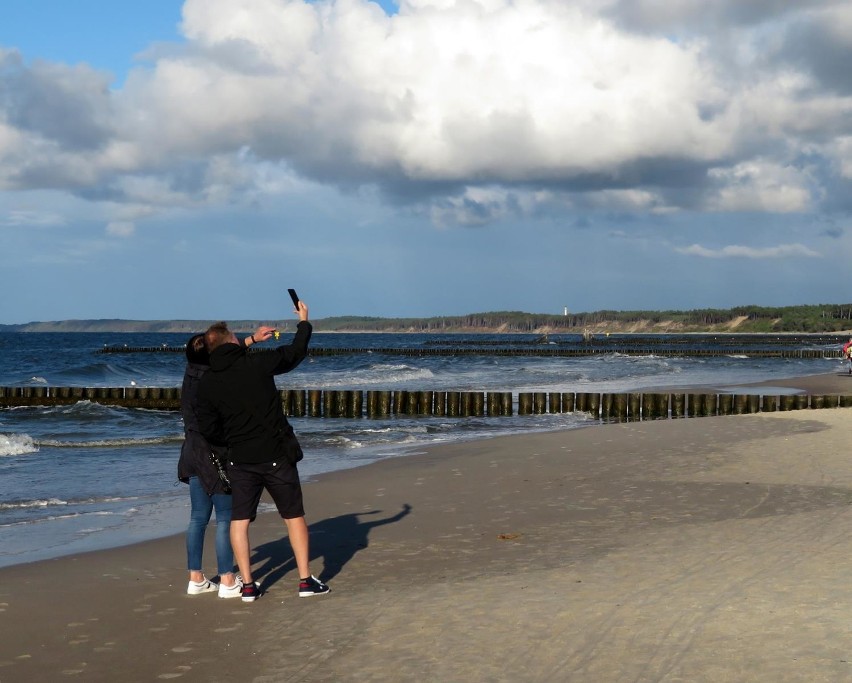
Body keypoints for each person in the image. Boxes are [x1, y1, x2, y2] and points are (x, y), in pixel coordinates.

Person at [196, 301, 330, 602]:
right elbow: (294, 353)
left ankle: (247, 585)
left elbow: (208, 428)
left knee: (239, 521)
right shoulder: (256, 364)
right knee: (293, 515)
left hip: (240, 458)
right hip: (275, 453)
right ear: (232, 341)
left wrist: (229, 444)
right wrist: (304, 323)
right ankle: (305, 580)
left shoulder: (207, 382)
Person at [178, 325, 275, 597]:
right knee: (225, 518)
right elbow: (226, 358)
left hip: (191, 452)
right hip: (214, 455)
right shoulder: (213, 378)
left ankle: (195, 578)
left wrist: (252, 339)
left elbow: (224, 355)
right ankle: (228, 580)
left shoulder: (190, 372)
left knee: (198, 517)